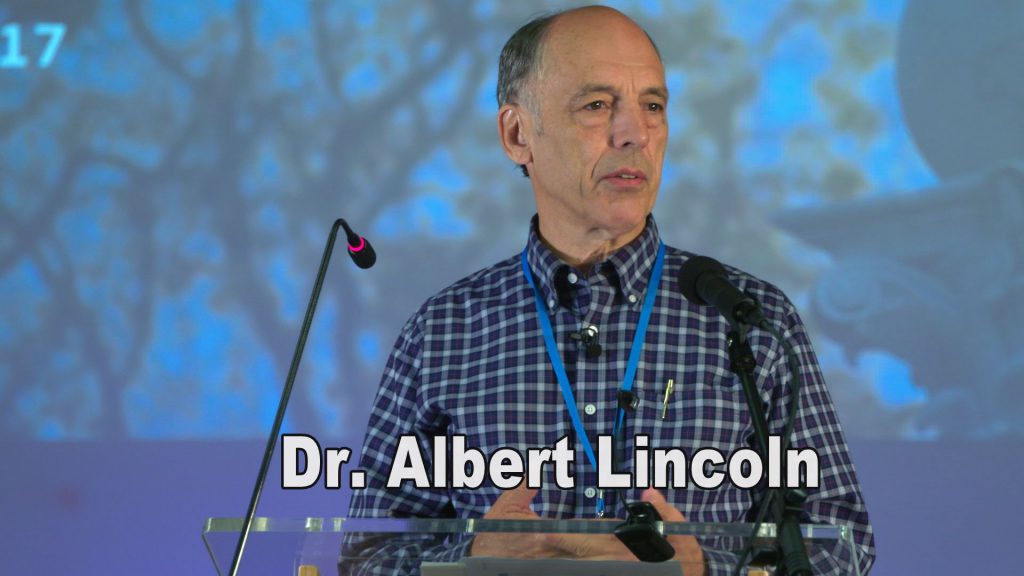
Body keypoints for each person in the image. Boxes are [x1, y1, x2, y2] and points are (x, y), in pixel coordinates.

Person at [346, 6, 874, 575]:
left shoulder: (749, 318)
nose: (635, 134)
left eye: (653, 106)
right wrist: (474, 559)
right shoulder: (442, 332)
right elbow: (365, 556)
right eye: (597, 106)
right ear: (518, 134)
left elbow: (841, 546)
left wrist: (706, 568)